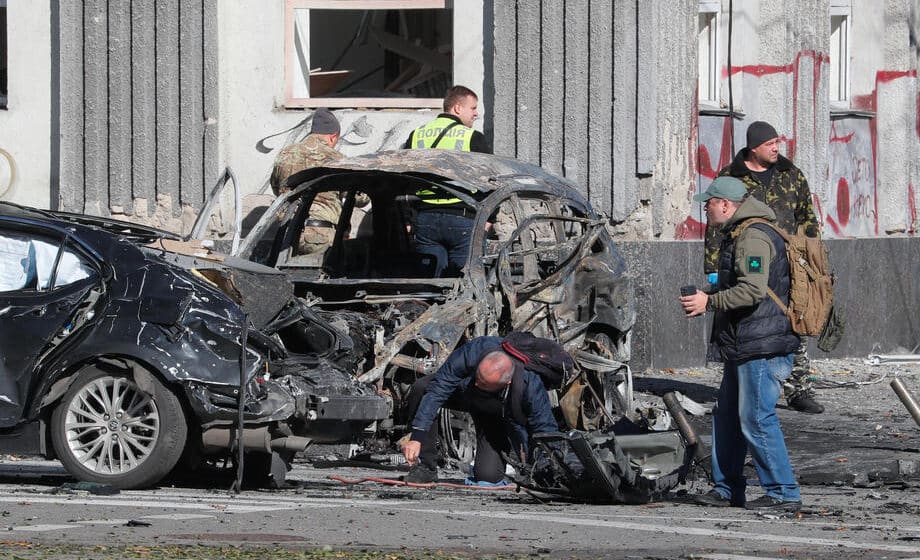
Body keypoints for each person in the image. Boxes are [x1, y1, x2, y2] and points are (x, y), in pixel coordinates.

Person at [682, 177, 802, 512]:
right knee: (728, 417)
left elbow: (754, 290)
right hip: (744, 343)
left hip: (762, 346)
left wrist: (710, 302)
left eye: (709, 202)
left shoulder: (753, 236)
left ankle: (784, 492)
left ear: (725, 204)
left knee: (756, 418)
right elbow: (747, 278)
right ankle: (727, 488)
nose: (705, 208)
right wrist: (715, 283)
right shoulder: (740, 233)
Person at [706, 120, 824, 414]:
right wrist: (711, 266)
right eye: (770, 144)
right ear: (754, 147)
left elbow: (807, 219)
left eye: (777, 143)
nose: (776, 148)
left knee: (792, 320)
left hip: (788, 264)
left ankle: (798, 388)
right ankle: (740, 384)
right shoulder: (731, 177)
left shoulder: (791, 175)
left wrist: (812, 261)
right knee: (745, 322)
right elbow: (713, 229)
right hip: (744, 260)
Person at [401, 336, 558, 484]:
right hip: (463, 394)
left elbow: (545, 429)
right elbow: (437, 390)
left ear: (507, 383)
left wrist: (541, 466)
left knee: (488, 476)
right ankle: (426, 467)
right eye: (478, 377)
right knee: (423, 388)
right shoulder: (473, 351)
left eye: (484, 383)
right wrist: (417, 436)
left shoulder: (530, 385)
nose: (477, 383)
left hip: (492, 416)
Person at [404, 85, 492, 277]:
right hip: (462, 217)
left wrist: (409, 218)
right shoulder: (472, 137)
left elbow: (404, 178)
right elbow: (489, 179)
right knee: (467, 282)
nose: (476, 114)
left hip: (425, 219)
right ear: (457, 108)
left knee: (430, 282)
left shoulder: (416, 135)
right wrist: (489, 219)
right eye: (473, 108)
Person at [269, 107, 344, 255]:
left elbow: (276, 187)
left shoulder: (285, 154)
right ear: (333, 136)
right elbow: (360, 196)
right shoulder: (336, 158)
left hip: (287, 233)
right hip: (319, 235)